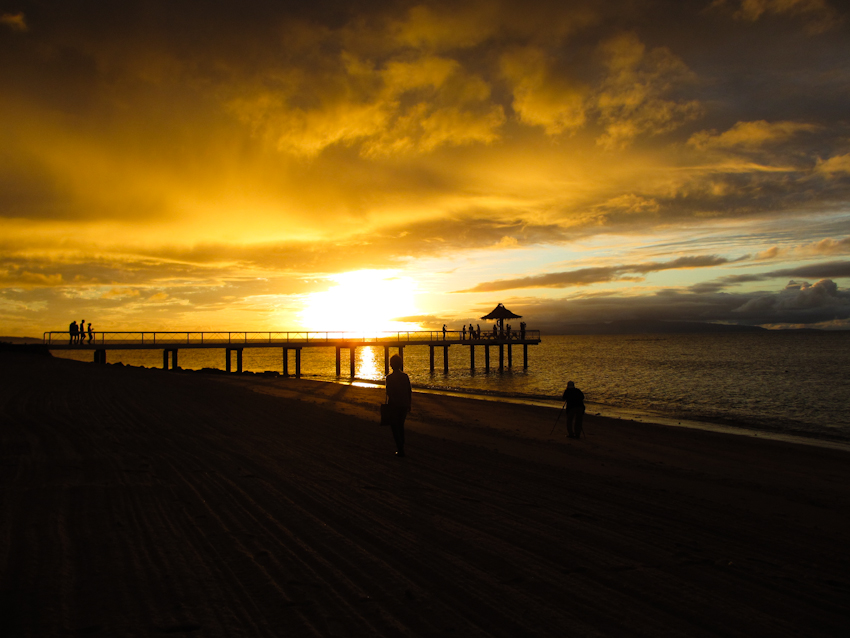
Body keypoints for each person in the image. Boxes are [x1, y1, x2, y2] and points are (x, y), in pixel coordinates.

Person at [385, 354, 412, 457]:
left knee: (394, 427)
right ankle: (401, 448)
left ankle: (400, 448)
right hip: (404, 404)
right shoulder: (405, 376)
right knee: (401, 426)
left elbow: (389, 392)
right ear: (400, 364)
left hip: (394, 405)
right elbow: (409, 391)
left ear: (391, 365)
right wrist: (409, 403)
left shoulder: (389, 377)